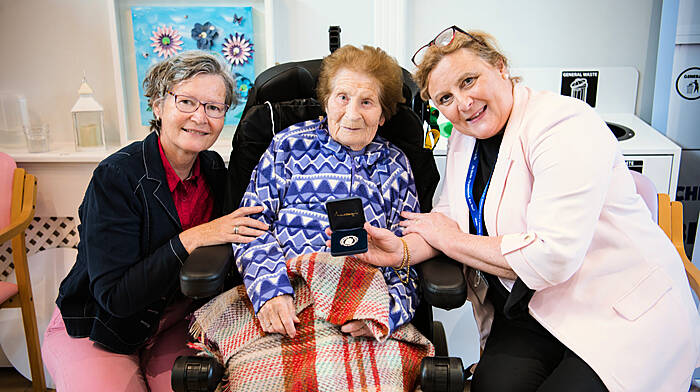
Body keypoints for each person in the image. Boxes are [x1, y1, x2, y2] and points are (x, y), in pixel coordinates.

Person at [350, 26, 700, 392]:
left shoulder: (563, 125)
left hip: (619, 312)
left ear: (500, 67)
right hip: (536, 312)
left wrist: (450, 241)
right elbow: (447, 217)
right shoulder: (465, 138)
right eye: (446, 98)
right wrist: (402, 252)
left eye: (469, 81)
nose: (463, 103)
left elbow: (551, 257)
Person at [41, 50, 268, 392]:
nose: (200, 117)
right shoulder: (116, 177)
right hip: (99, 327)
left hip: (173, 324)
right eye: (187, 101)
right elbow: (115, 297)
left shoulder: (215, 171)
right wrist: (195, 236)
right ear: (159, 106)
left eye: (213, 107)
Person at [234, 44, 419, 340]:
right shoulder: (288, 146)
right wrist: (269, 292)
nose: (352, 114)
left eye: (367, 102)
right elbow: (249, 228)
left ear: (383, 115)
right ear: (326, 101)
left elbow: (408, 257)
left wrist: (387, 313)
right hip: (288, 295)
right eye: (343, 97)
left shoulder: (395, 165)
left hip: (362, 304)